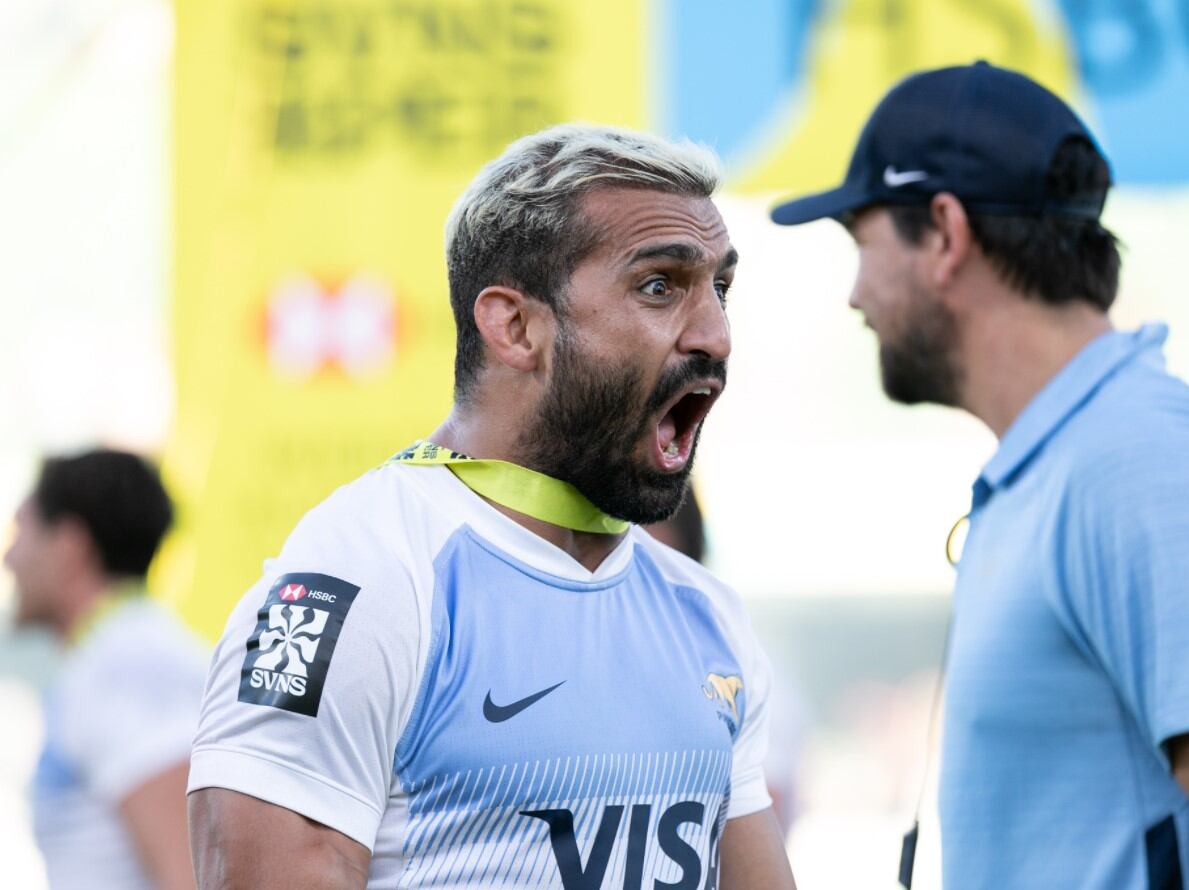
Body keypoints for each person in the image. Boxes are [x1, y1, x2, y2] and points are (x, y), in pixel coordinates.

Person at [188, 123, 797, 890]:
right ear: (514, 326)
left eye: (721, 289)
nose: (715, 334)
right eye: (658, 286)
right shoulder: (362, 578)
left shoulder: (704, 613)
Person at [771, 61, 1189, 889]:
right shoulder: (1074, 459)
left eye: (861, 243)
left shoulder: (1140, 462)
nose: (855, 293)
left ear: (945, 233)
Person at [4, 448, 201, 890]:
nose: (9, 557)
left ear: (69, 546)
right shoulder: (121, 651)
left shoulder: (127, 663)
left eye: (22, 531)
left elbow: (190, 874)